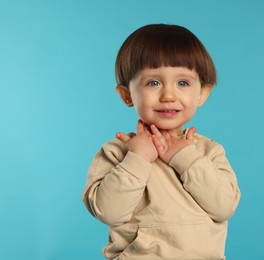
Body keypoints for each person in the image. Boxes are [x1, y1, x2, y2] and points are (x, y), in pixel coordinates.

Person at [82, 24, 241, 260]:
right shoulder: (118, 152)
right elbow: (109, 212)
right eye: (153, 83)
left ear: (202, 94)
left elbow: (224, 206)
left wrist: (185, 158)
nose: (168, 95)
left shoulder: (208, 151)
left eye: (183, 83)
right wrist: (138, 158)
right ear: (127, 95)